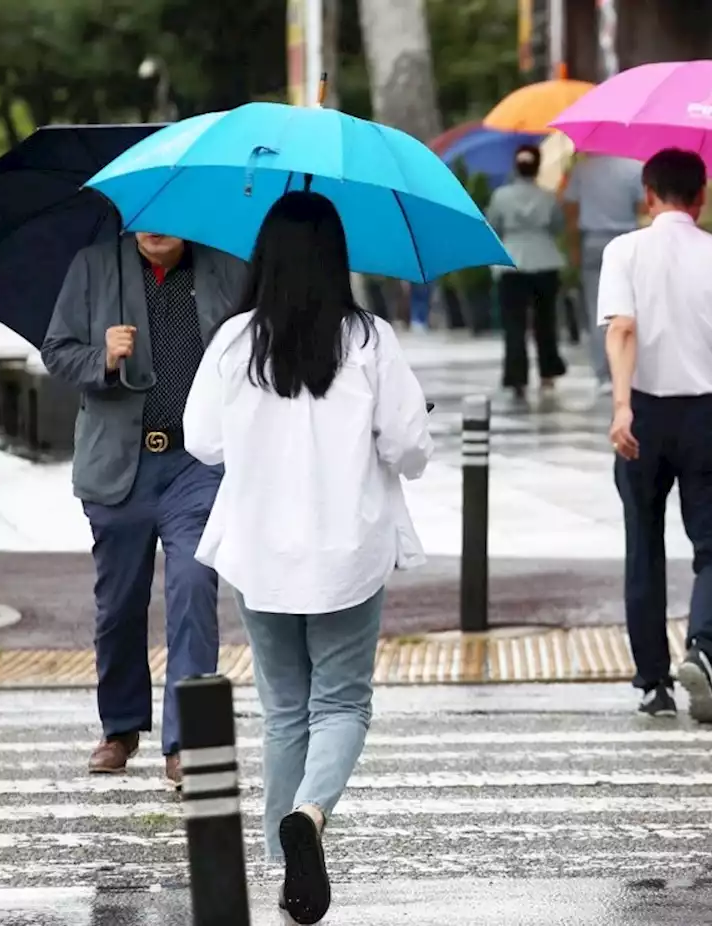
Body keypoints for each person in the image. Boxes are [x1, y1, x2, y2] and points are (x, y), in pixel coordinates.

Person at [183, 191, 433, 925]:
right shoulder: (369, 340)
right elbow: (407, 444)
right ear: (336, 259)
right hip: (346, 550)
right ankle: (312, 817)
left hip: (261, 550)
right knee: (344, 701)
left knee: (285, 707)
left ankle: (281, 860)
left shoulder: (234, 342)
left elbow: (204, 440)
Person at [40, 232, 248, 786]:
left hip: (197, 463)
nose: (156, 226)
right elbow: (56, 350)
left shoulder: (226, 268)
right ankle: (121, 726)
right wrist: (101, 357)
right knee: (119, 604)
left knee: (193, 585)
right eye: (144, 217)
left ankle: (188, 742)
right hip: (118, 464)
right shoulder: (92, 265)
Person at [602, 148, 712, 723]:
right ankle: (703, 647)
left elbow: (623, 328)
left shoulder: (622, 251)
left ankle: (653, 684)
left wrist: (622, 408)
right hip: (706, 415)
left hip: (644, 415)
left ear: (648, 194)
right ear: (701, 198)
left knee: (643, 547)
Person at [485, 144, 568, 402]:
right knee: (546, 321)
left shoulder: (500, 196)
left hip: (511, 262)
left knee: (514, 324)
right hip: (545, 260)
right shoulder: (549, 197)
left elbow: (493, 225)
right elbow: (558, 226)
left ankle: (517, 377)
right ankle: (548, 373)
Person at [563, 153, 646, 393]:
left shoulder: (582, 170)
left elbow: (569, 208)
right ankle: (629, 369)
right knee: (630, 308)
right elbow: (644, 206)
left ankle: (604, 374)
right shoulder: (634, 168)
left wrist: (573, 247)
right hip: (627, 241)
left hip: (593, 242)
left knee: (596, 308)